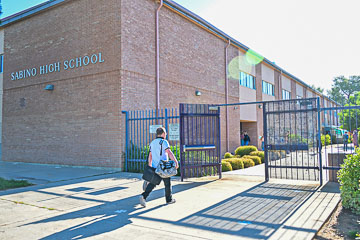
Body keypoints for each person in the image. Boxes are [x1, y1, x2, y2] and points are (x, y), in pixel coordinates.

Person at [139, 127, 179, 207]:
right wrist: (175, 161)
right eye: (166, 133)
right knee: (167, 184)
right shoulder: (164, 142)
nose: (166, 135)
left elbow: (150, 155)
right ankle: (169, 200)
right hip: (163, 167)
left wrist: (150, 166)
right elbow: (169, 152)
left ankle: (143, 196)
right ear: (163, 134)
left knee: (152, 184)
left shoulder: (152, 143)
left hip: (155, 167)